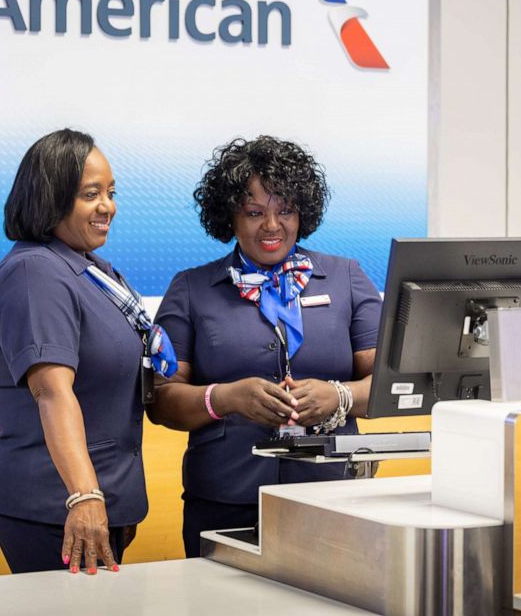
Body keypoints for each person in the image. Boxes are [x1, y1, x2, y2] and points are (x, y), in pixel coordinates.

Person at [151, 135, 382, 557]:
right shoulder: (191, 289)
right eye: (254, 213)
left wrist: (339, 396)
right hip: (225, 500)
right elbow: (161, 401)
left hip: (330, 496)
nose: (272, 226)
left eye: (285, 210)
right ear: (230, 218)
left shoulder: (346, 277)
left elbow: (391, 384)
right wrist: (225, 398)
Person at [0, 129, 176, 574]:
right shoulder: (35, 272)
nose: (108, 206)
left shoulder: (92, 271)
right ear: (51, 197)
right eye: (91, 194)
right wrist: (86, 497)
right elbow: (52, 392)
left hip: (102, 499)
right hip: (54, 504)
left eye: (110, 192)